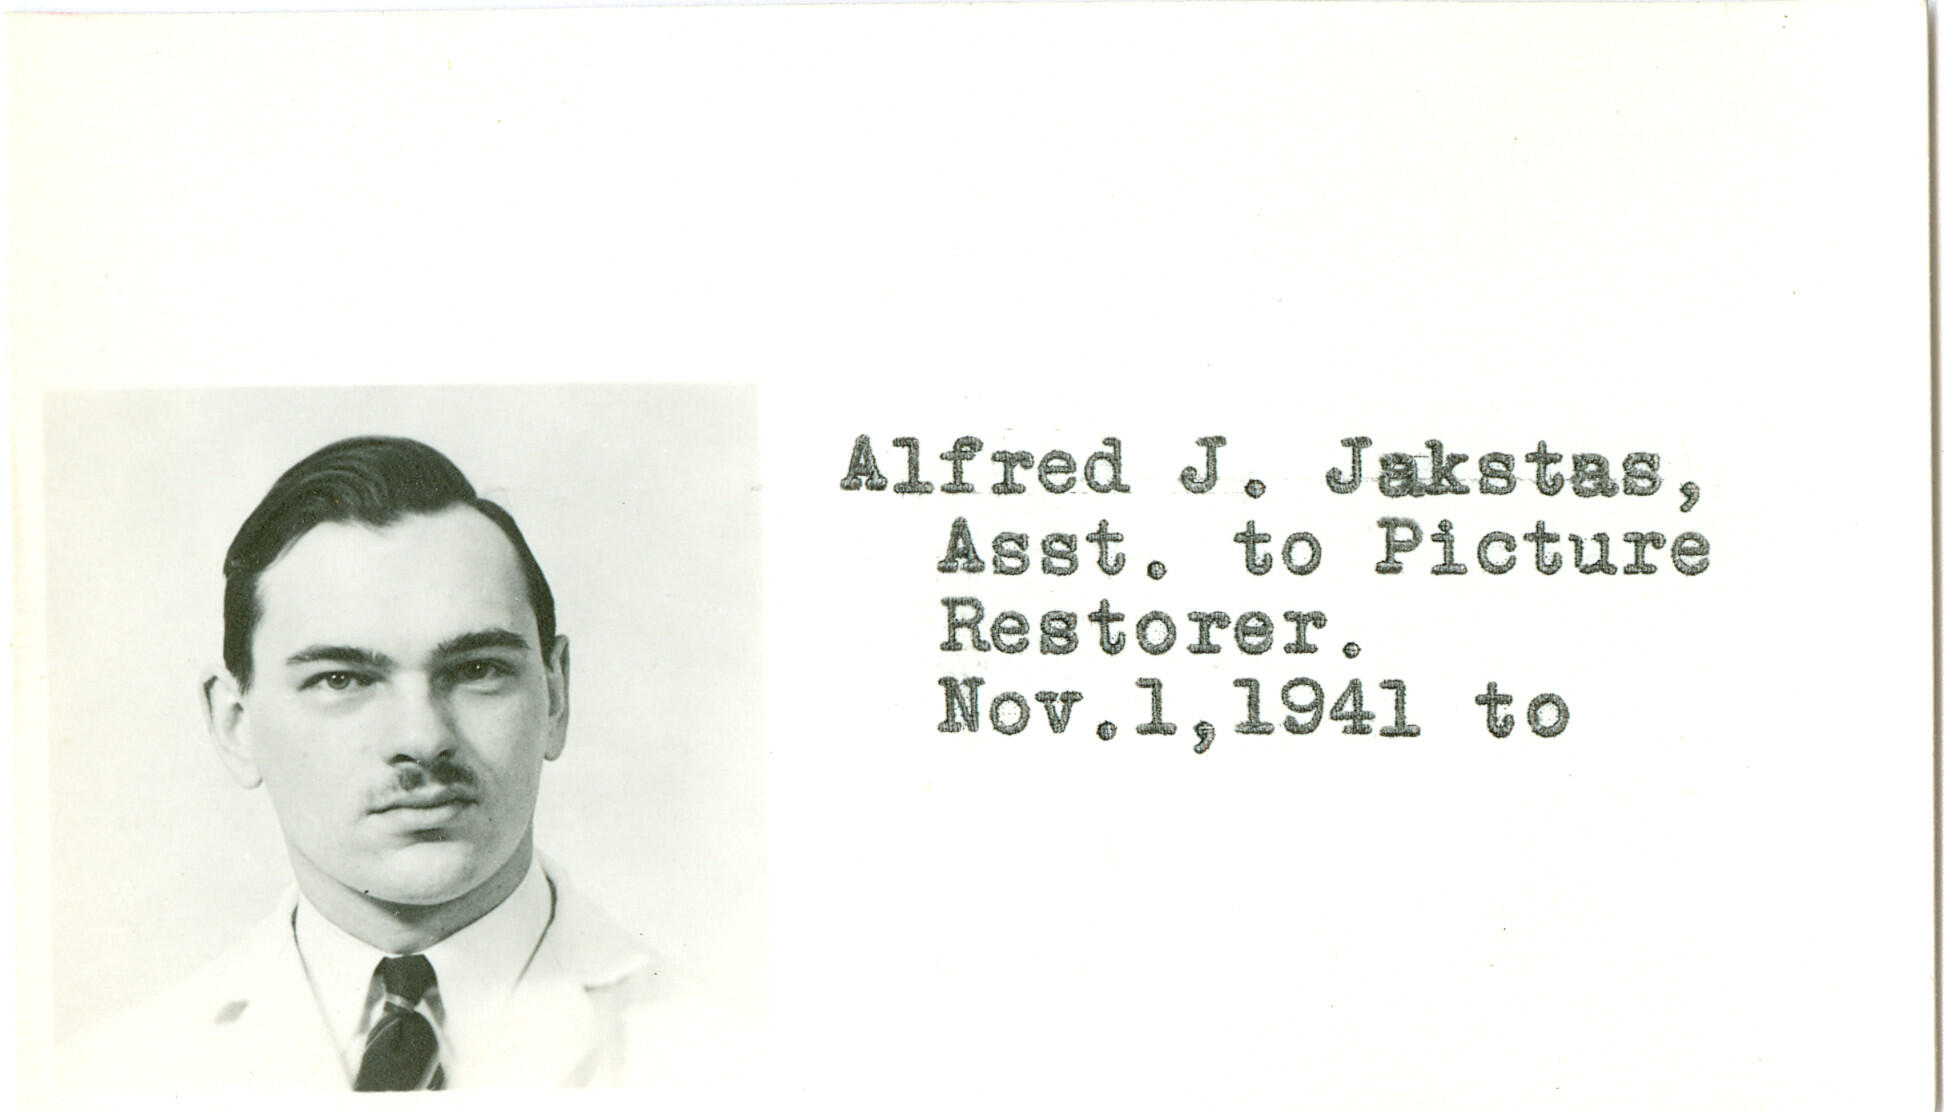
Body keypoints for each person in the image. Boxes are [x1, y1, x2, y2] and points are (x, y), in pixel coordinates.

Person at [62, 436, 709, 1091]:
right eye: (342, 680)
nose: (422, 738)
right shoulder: (99, 1082)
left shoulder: (742, 1064)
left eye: (478, 670)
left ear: (556, 695)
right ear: (234, 723)